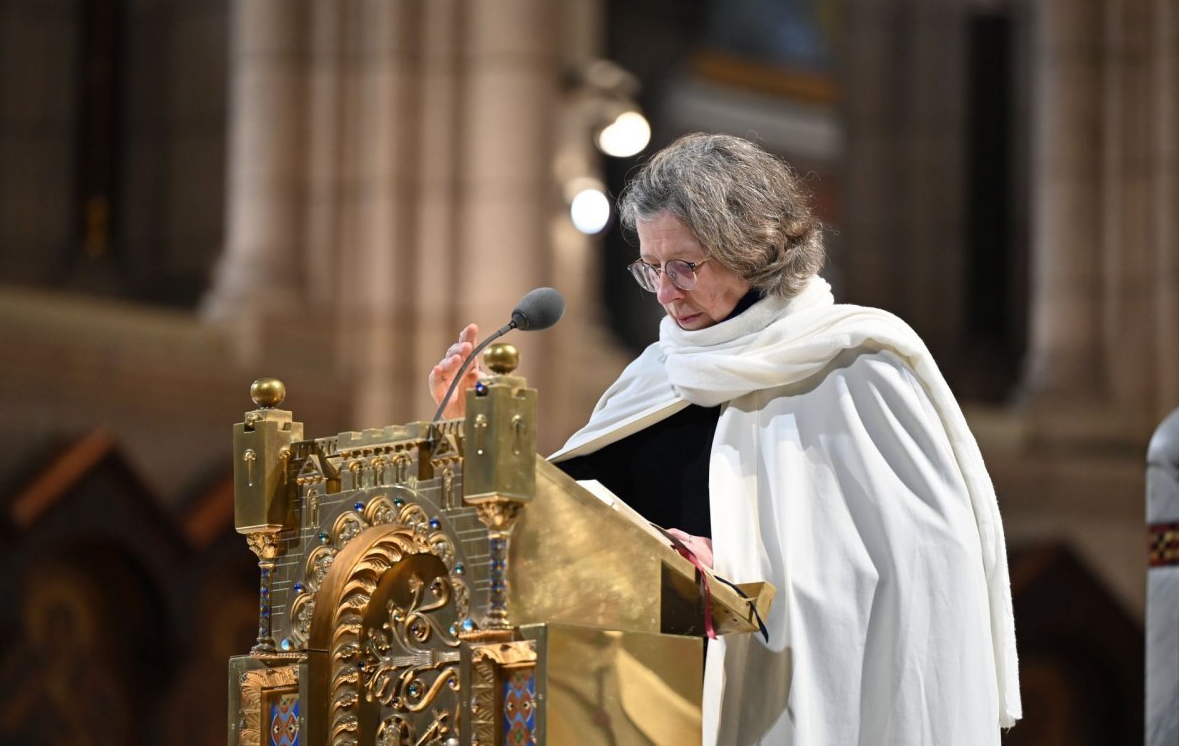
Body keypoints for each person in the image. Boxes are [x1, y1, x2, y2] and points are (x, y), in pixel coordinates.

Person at [429, 132, 1021, 745]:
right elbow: (559, 519)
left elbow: (924, 575)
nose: (664, 293)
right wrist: (478, 427)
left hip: (794, 708)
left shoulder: (856, 364)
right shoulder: (656, 374)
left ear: (752, 249)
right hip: (637, 708)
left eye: (683, 266)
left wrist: (728, 578)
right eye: (650, 268)